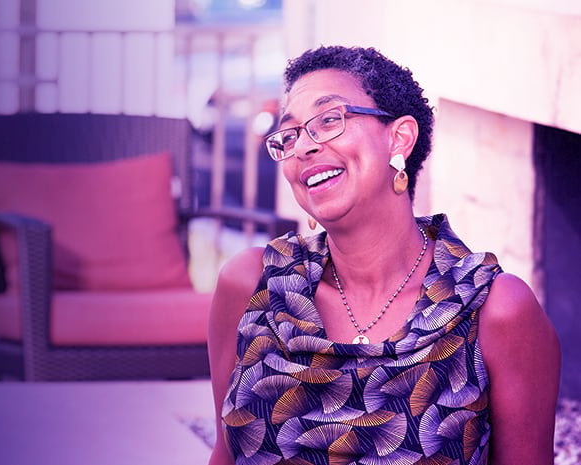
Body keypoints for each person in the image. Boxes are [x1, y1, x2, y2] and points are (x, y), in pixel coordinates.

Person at [207, 45, 560, 465]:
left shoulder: (494, 310)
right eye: (291, 134)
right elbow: (225, 453)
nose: (303, 147)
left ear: (400, 137)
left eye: (328, 120)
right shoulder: (251, 285)